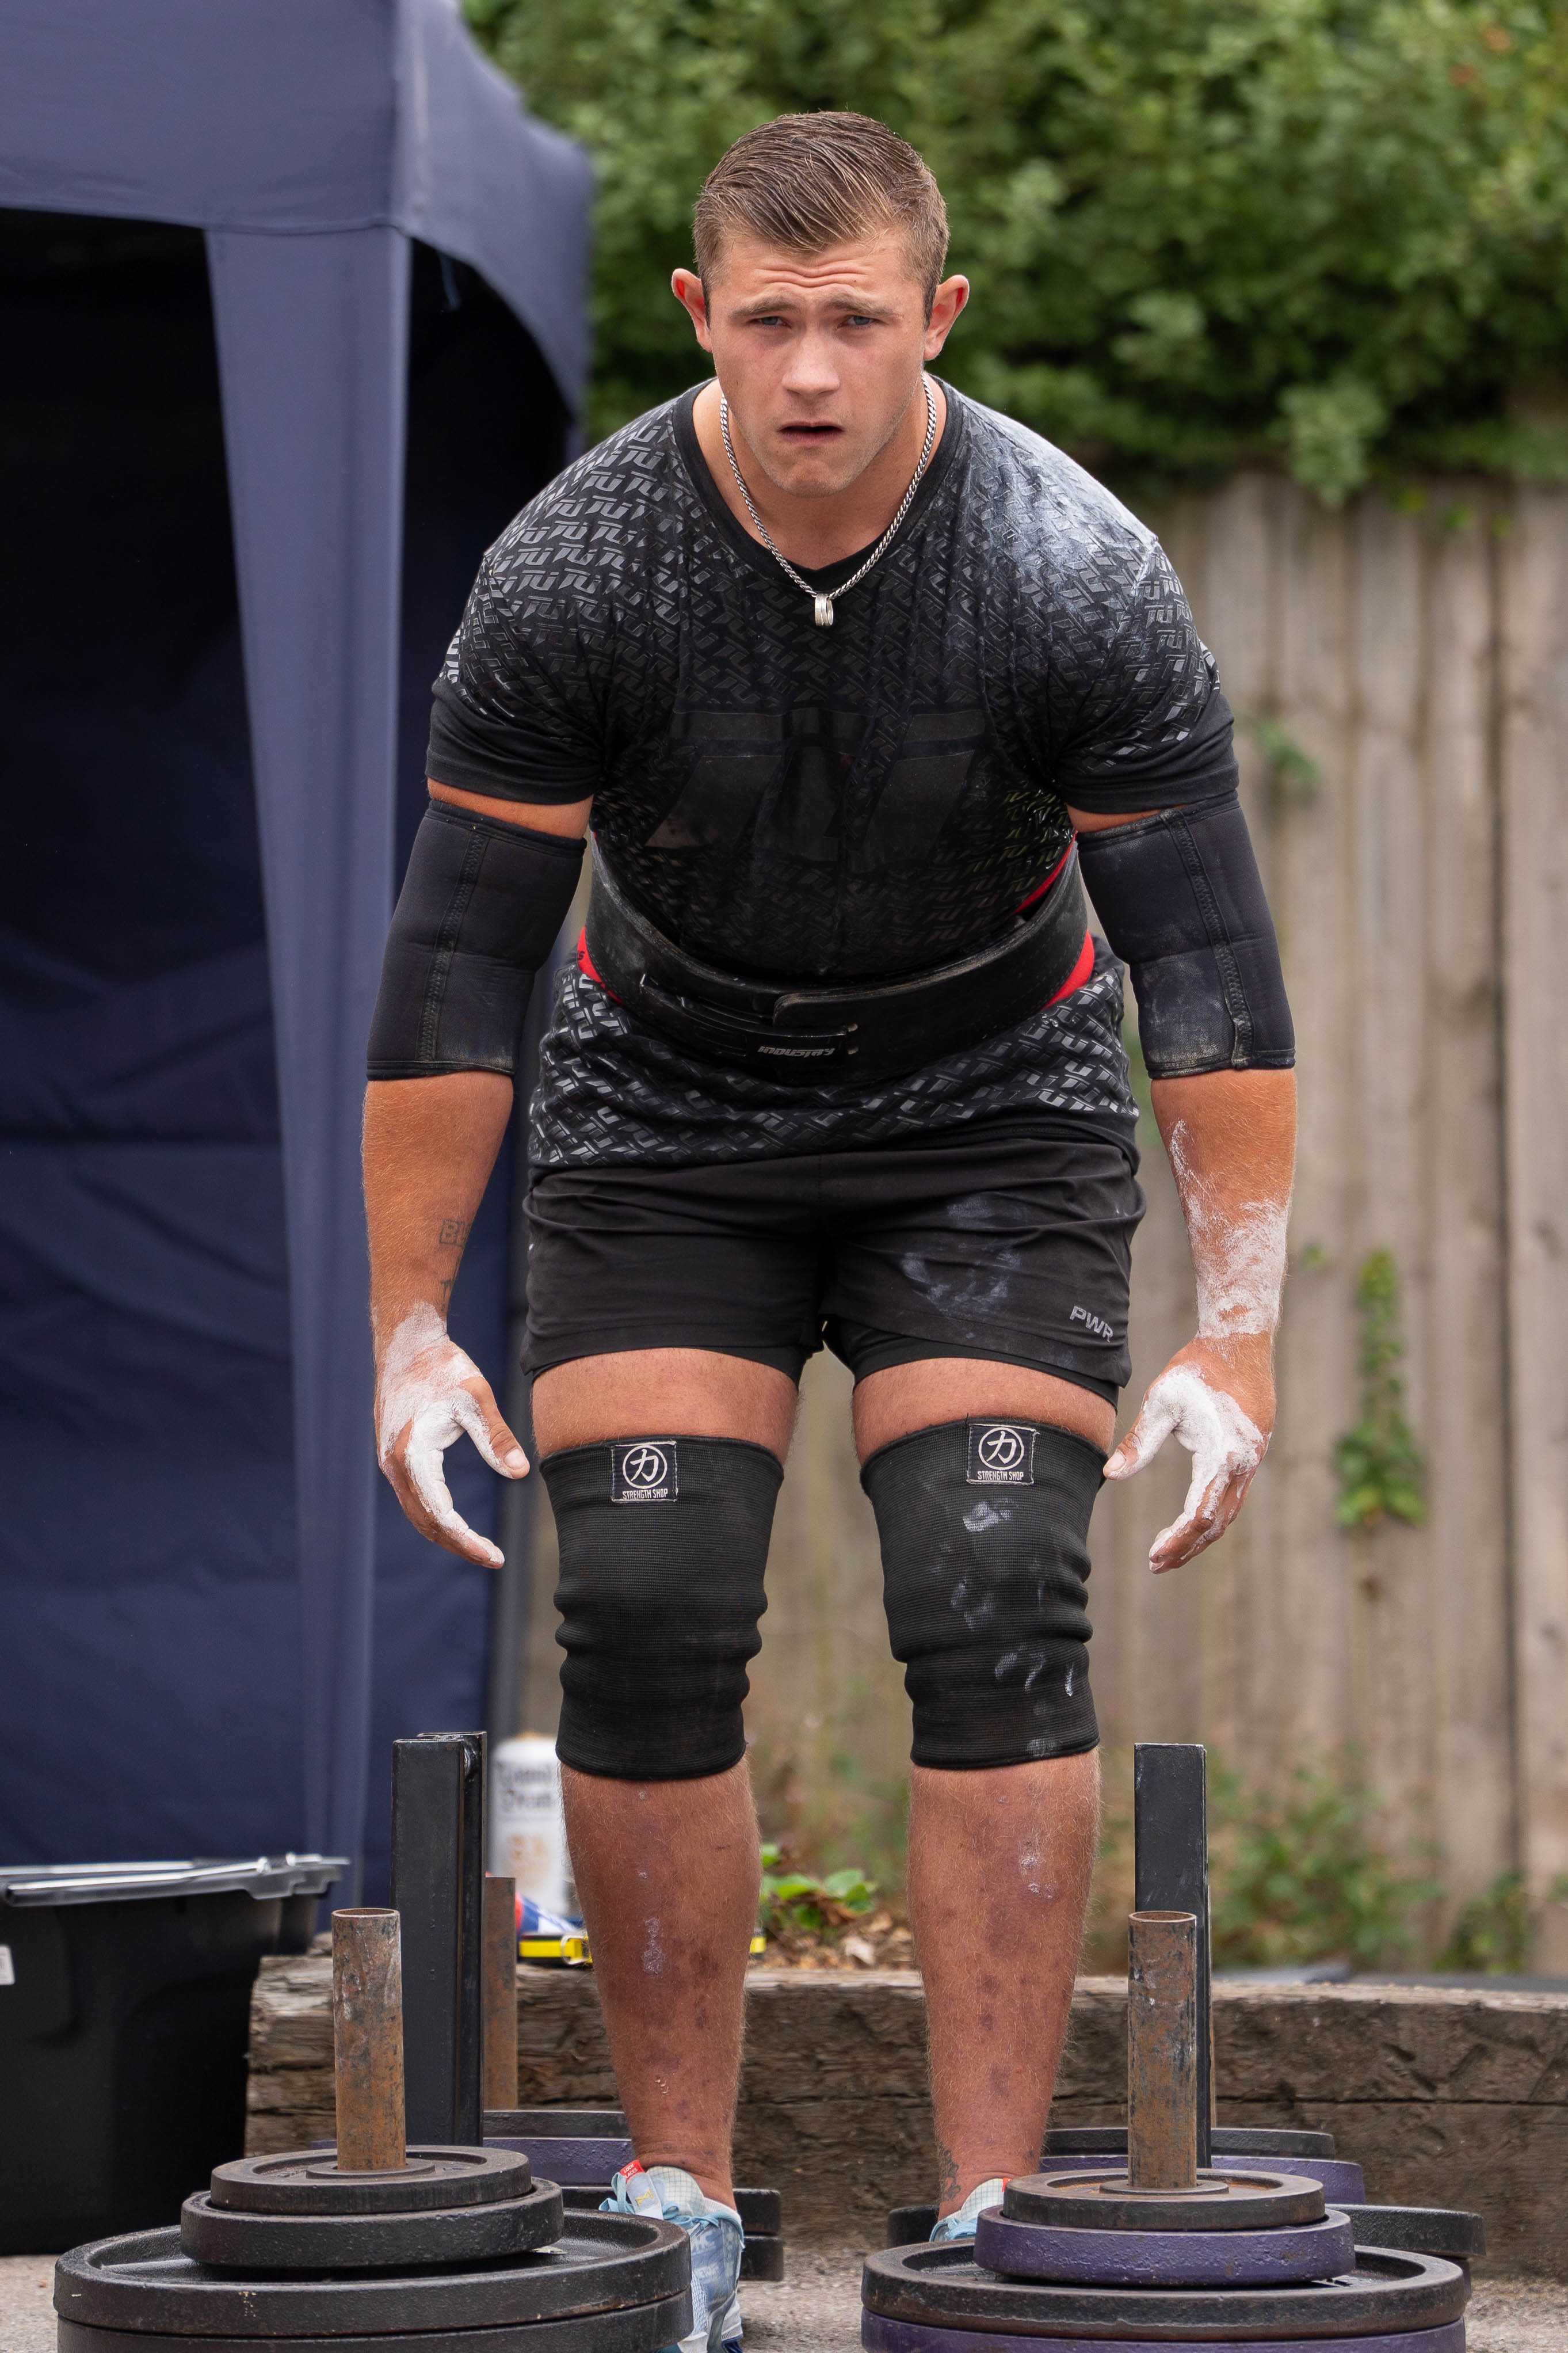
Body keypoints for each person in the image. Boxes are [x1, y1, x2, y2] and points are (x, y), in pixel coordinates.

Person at [363, 112, 1295, 2353]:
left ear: (934, 318)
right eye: (768, 319)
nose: (808, 370)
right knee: (648, 1601)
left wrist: (1241, 1330)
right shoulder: (577, 571)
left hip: (992, 1107)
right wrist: (406, 1317)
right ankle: (679, 2197)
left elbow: (1208, 969)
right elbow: (460, 957)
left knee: (991, 1591)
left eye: (855, 320)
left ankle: (985, 2209)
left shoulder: (1070, 568)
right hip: (666, 1106)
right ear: (698, 315)